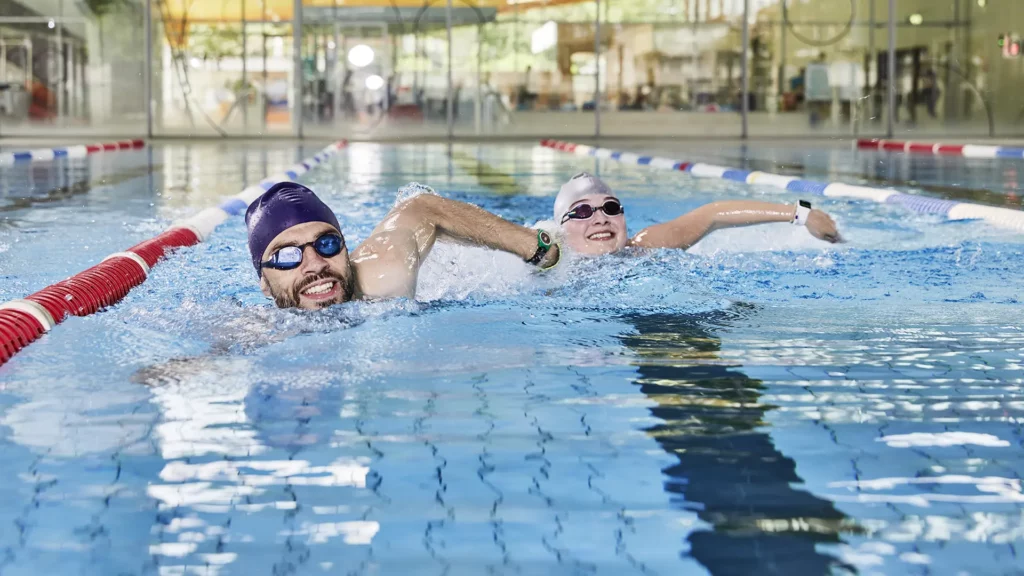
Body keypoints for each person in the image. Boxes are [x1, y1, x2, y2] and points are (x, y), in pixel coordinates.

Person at [247, 182, 560, 310]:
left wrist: (536, 247)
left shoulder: (384, 274)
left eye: (327, 243)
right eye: (288, 256)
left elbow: (422, 208)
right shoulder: (257, 335)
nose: (315, 264)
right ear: (263, 283)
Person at [551, 172, 841, 256]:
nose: (600, 218)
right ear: (560, 228)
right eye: (583, 211)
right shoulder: (550, 259)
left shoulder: (643, 247)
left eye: (611, 207)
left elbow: (713, 214)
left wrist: (802, 214)